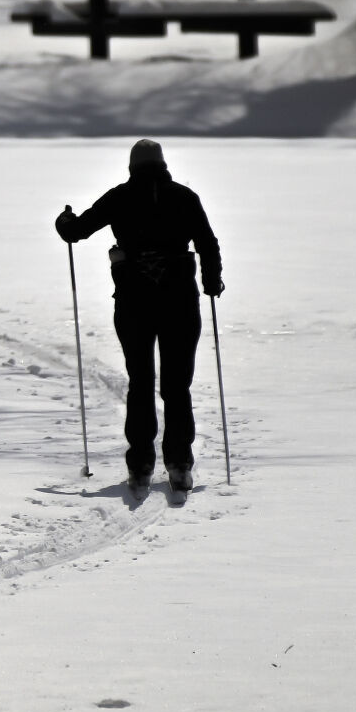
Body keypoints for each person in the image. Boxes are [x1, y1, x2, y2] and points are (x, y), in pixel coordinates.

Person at [55, 139, 222, 492]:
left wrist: (65, 221)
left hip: (134, 301)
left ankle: (141, 466)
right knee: (177, 385)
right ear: (162, 164)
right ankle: (179, 465)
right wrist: (211, 281)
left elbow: (76, 232)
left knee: (141, 381)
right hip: (180, 300)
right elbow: (207, 242)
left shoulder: (119, 197)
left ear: (132, 167)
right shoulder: (184, 197)